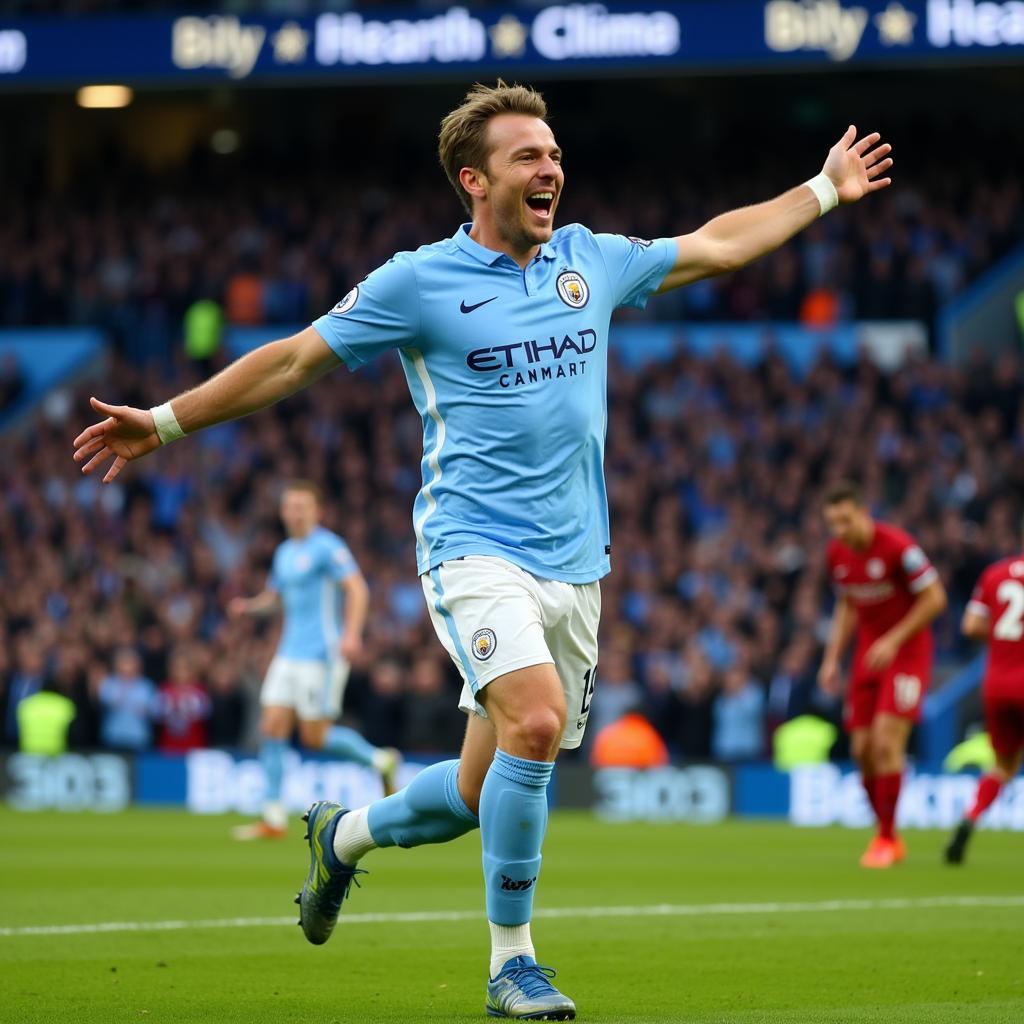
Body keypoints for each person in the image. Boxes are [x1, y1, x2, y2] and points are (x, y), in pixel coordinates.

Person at [73, 81, 892, 1019]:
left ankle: (340, 839)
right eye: (527, 158)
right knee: (535, 725)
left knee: (473, 794)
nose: (551, 169)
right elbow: (296, 359)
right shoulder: (416, 283)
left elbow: (717, 243)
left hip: (578, 563)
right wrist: (166, 423)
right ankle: (513, 963)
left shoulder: (592, 260)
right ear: (474, 179)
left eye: (553, 154)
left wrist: (822, 189)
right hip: (471, 547)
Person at [228, 480, 399, 839]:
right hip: (288, 653)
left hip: (322, 655)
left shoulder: (327, 547)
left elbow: (357, 589)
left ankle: (381, 760)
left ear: (317, 511)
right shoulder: (285, 552)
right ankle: (273, 818)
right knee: (271, 726)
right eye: (290, 506)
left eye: (302, 506)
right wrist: (249, 607)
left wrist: (351, 634)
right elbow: (276, 598)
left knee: (314, 737)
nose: (295, 512)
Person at [817, 480, 947, 869]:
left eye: (845, 520)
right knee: (860, 751)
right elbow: (847, 606)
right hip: (867, 657)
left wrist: (893, 639)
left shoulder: (898, 547)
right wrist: (831, 659)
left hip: (906, 654)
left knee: (886, 744)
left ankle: (887, 839)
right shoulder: (837, 554)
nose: (840, 531)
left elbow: (936, 598)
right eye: (832, 524)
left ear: (862, 512)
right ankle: (885, 831)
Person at [945, 540, 1024, 864]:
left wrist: (1009, 638)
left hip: (997, 685)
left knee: (1004, 765)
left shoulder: (995, 573)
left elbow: (971, 625)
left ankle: (971, 816)